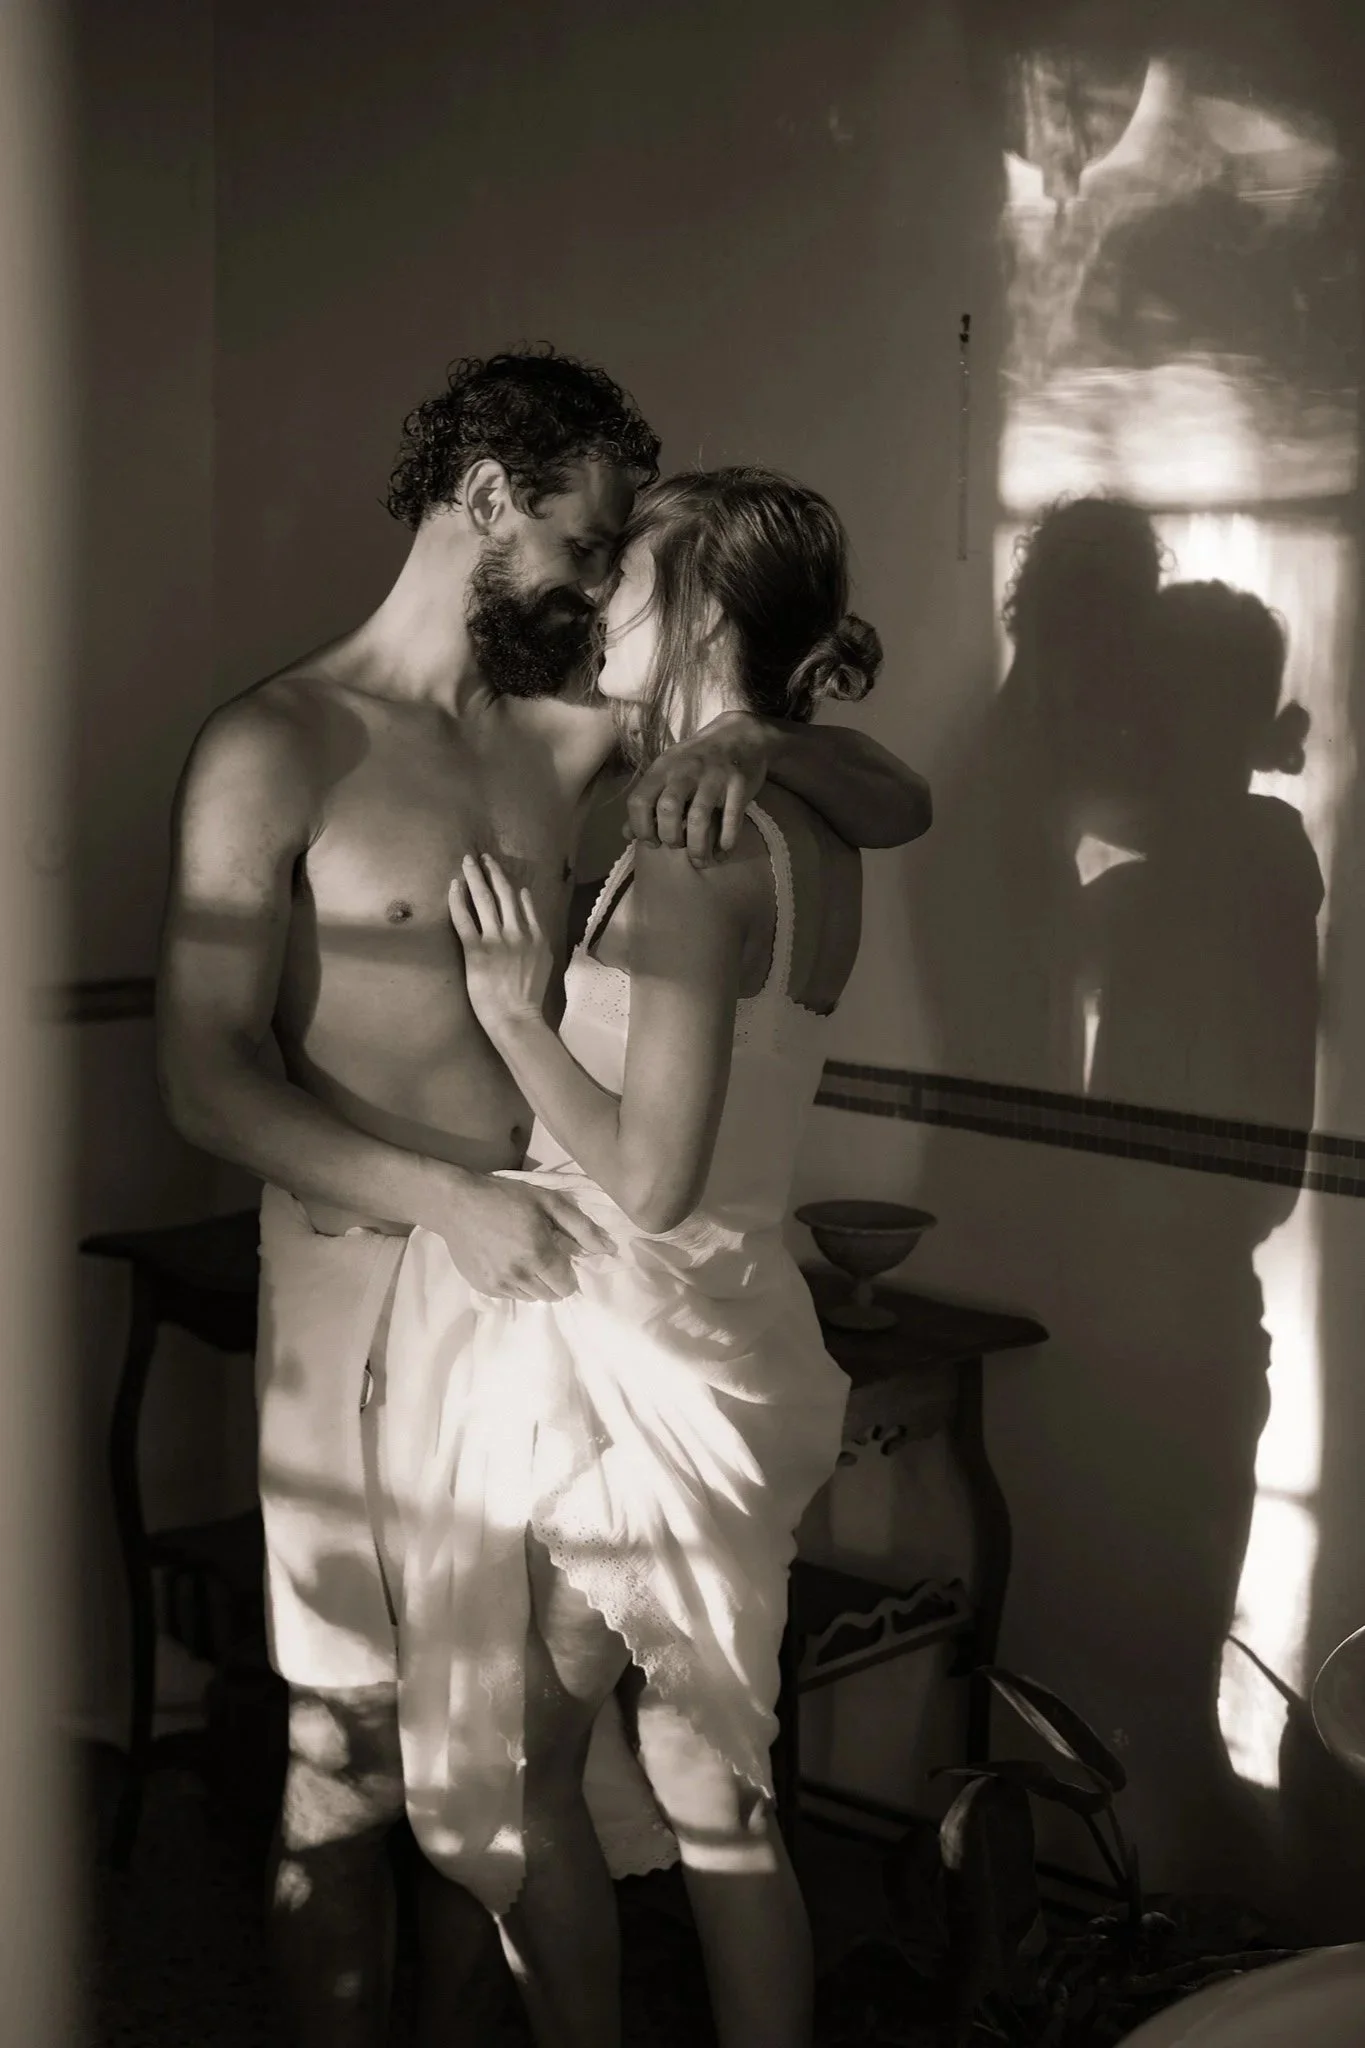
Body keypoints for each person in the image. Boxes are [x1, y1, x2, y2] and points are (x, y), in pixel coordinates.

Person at [155, 349, 931, 2048]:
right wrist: (446, 1199)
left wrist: (761, 769)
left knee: (502, 1762)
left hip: (556, 1302)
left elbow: (875, 781)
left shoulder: (559, 734)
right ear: (490, 495)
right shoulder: (272, 745)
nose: (598, 587)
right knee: (350, 1757)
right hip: (376, 1277)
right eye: (586, 542)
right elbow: (206, 1077)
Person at [381, 465, 906, 2048]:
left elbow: (653, 1179)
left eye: (629, 582)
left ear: (702, 618)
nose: (598, 597)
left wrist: (515, 1014)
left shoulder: (692, 851)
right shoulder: (813, 829)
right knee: (707, 1783)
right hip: (729, 1335)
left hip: (633, 1352)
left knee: (537, 1775)